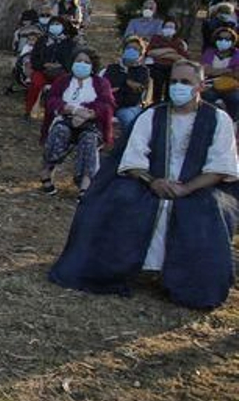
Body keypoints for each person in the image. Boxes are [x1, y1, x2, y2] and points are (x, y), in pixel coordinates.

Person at [50, 60, 239, 309]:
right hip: (149, 182)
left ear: (200, 86)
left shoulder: (218, 119)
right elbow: (132, 158)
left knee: (205, 210)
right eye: (173, 82)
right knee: (122, 197)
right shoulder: (152, 114)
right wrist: (153, 181)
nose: (178, 87)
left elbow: (221, 166)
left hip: (197, 186)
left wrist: (186, 188)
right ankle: (112, 269)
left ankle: (190, 282)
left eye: (185, 82)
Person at [39, 48, 115, 195]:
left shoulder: (101, 83)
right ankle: (46, 171)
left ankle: (85, 183)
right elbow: (52, 100)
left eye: (86, 62)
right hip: (65, 118)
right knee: (60, 131)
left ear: (93, 65)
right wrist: (72, 110)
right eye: (78, 61)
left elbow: (106, 104)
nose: (82, 64)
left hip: (90, 122)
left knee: (89, 139)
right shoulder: (63, 81)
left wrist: (88, 114)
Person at [25, 16, 78, 118]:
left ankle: (55, 111)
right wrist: (43, 64)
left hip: (60, 71)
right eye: (53, 24)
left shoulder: (69, 43)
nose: (55, 27)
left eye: (58, 25)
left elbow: (69, 61)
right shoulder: (42, 41)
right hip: (42, 70)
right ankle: (28, 110)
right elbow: (34, 58)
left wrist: (58, 65)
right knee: (35, 84)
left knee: (60, 87)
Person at [103, 37, 152, 137]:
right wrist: (128, 84)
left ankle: (128, 146)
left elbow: (134, 97)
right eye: (129, 48)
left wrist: (119, 87)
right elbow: (105, 89)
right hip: (110, 105)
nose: (131, 51)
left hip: (130, 106)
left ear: (140, 53)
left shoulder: (143, 71)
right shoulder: (112, 68)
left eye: (135, 49)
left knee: (128, 118)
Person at [201, 24, 239, 120]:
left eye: (227, 39)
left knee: (235, 99)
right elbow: (206, 70)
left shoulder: (237, 54)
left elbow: (236, 74)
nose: (223, 41)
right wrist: (227, 70)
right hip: (210, 85)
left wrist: (215, 71)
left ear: (233, 41)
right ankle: (206, 120)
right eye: (220, 38)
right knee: (206, 97)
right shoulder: (209, 52)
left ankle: (232, 122)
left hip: (230, 86)